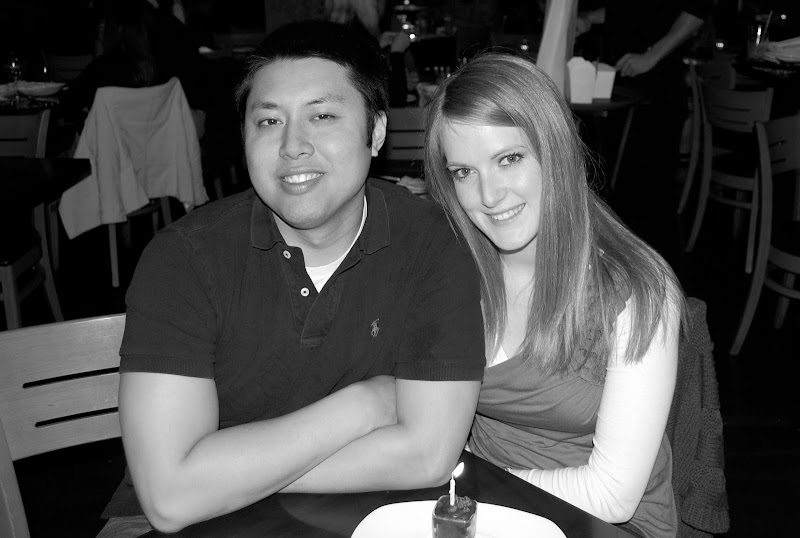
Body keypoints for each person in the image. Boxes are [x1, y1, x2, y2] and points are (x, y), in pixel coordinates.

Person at [98, 20, 484, 536]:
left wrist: (217, 477)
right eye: (268, 121)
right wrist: (365, 404)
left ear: (376, 132)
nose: (292, 145)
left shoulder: (433, 243)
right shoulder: (183, 258)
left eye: (322, 116)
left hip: (364, 517)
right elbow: (168, 500)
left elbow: (428, 456)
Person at [424, 52, 684, 538]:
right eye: (463, 172)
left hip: (599, 524)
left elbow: (612, 495)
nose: (489, 196)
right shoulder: (451, 271)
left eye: (509, 159)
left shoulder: (637, 290)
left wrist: (468, 489)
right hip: (484, 513)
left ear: (555, 151)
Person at [576, 0, 711, 266]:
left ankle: (660, 284)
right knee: (622, 200)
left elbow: (697, 9)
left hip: (657, 91)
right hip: (629, 89)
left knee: (650, 202)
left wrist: (651, 56)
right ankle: (625, 279)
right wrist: (590, 18)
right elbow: (636, 8)